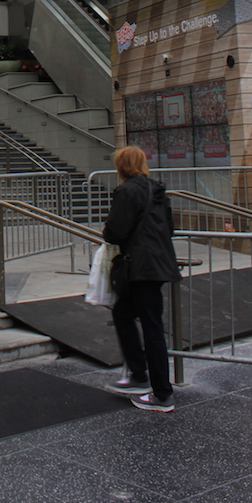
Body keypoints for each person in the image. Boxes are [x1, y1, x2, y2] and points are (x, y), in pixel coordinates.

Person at [103, 145, 181, 413]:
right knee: (124, 314)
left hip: (140, 266)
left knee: (151, 327)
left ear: (121, 166)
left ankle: (162, 394)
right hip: (157, 264)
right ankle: (138, 375)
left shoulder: (127, 191)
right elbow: (169, 228)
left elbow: (115, 231)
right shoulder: (155, 189)